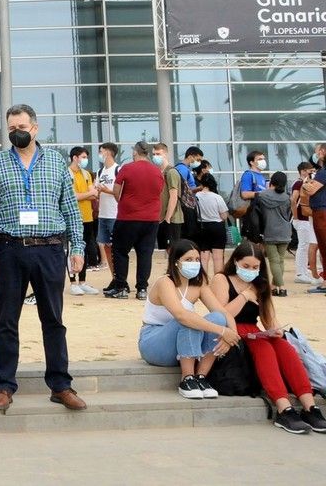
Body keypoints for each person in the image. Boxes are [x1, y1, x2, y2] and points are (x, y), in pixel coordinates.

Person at [0, 104, 86, 412]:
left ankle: (60, 385)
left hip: (50, 249)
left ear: (35, 128)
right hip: (9, 250)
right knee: (6, 321)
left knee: (53, 320)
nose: (17, 132)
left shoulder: (55, 162)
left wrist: (77, 248)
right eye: (12, 128)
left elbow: (70, 209)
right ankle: (4, 385)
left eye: (22, 127)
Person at [210, 242, 326, 434]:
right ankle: (283, 407)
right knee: (264, 350)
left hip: (255, 330)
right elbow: (221, 314)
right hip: (231, 331)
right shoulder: (221, 279)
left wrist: (275, 330)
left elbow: (268, 317)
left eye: (255, 267)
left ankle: (310, 406)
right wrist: (245, 296)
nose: (251, 271)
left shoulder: (259, 283)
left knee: (285, 348)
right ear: (236, 261)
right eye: (246, 266)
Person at [138, 239, 238, 398]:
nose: (194, 263)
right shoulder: (165, 282)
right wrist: (222, 331)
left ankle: (201, 377)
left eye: (197, 260)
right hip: (154, 343)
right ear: (176, 262)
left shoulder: (199, 285)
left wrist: (232, 334)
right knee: (188, 319)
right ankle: (187, 378)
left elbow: (222, 312)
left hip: (182, 342)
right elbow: (181, 315)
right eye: (188, 260)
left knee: (217, 318)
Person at [104, 141, 164, 300]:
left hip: (128, 217)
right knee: (145, 254)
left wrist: (123, 202)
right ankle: (142, 289)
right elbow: (159, 192)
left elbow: (116, 191)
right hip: (151, 219)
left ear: (135, 153)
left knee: (120, 251)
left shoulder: (127, 168)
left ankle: (121, 287)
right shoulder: (157, 171)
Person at [254, 171, 293, 296]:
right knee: (280, 260)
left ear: (272, 181)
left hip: (270, 231)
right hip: (285, 231)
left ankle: (281, 287)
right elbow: (288, 214)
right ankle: (275, 287)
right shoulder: (287, 197)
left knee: (274, 261)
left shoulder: (263, 196)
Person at [67, 146, 99, 295]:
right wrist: (89, 193)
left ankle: (83, 281)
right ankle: (73, 283)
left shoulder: (86, 174)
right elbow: (72, 196)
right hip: (73, 218)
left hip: (87, 217)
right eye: (83, 157)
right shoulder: (67, 174)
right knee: (72, 249)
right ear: (75, 158)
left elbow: (95, 195)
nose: (85, 160)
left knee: (84, 249)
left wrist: (86, 194)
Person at [193, 172, 229, 276]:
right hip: (217, 227)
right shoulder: (217, 197)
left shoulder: (196, 196)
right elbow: (224, 216)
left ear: (201, 183)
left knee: (203, 257)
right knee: (217, 258)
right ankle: (218, 280)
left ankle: (203, 281)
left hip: (202, 227)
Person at [94, 142, 120, 278]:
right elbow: (96, 191)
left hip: (114, 214)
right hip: (102, 214)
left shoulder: (118, 170)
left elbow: (121, 193)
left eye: (101, 151)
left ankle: (120, 277)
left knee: (116, 248)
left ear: (108, 153)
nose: (100, 154)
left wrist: (106, 190)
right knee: (106, 246)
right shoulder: (100, 172)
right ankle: (114, 277)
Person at [291, 161, 319, 285]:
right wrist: (296, 217)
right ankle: (300, 273)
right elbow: (293, 199)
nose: (312, 172)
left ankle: (304, 271)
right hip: (301, 220)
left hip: (305, 219)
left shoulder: (306, 183)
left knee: (306, 245)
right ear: (303, 171)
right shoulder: (298, 183)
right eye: (310, 170)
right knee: (303, 246)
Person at [153, 143, 184, 249]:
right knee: (164, 249)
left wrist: (167, 218)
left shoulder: (171, 172)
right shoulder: (158, 172)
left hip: (172, 218)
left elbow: (174, 196)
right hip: (161, 218)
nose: (156, 157)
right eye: (154, 154)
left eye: (158, 154)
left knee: (173, 250)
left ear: (165, 154)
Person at [307, 143, 326, 295]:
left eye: (317, 151)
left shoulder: (323, 172)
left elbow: (311, 189)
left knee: (324, 246)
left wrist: (306, 183)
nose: (316, 154)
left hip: (322, 212)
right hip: (320, 211)